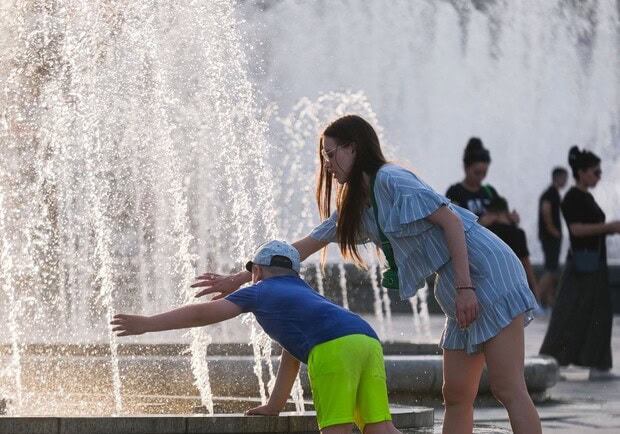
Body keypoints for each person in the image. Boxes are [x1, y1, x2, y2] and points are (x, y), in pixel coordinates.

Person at [193, 115, 542, 434]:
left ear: (353, 148)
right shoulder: (358, 208)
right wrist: (240, 277)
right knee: (456, 394)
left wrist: (466, 287)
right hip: (456, 282)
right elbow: (295, 250)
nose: (327, 165)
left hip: (485, 272)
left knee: (507, 388)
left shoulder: (392, 179)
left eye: (331, 154)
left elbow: (451, 221)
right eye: (324, 157)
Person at [111, 240, 401, 434]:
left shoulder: (259, 290)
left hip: (333, 348)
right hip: (365, 339)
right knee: (380, 428)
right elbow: (292, 355)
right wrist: (274, 406)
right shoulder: (303, 293)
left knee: (336, 427)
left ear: (257, 271)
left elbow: (202, 315)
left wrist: (147, 324)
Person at [539, 147, 620, 381]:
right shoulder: (572, 198)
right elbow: (576, 229)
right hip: (580, 266)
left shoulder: (586, 197)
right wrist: (609, 227)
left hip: (595, 262)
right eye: (595, 172)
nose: (599, 176)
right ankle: (552, 362)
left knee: (600, 313)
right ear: (581, 173)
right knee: (567, 313)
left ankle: (598, 365)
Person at [445, 137, 519, 227]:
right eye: (477, 173)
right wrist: (480, 224)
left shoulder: (489, 192)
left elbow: (503, 218)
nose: (480, 177)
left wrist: (510, 219)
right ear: (465, 167)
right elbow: (451, 226)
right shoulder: (455, 192)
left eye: (484, 173)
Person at [486, 196, 538, 298]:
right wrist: (534, 289)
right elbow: (525, 262)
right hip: (514, 283)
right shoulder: (518, 233)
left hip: (491, 284)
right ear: (506, 212)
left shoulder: (487, 232)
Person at [537, 167, 568, 310]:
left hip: (550, 237)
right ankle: (535, 302)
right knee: (550, 271)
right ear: (558, 178)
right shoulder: (550, 194)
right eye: (565, 178)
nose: (566, 181)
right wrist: (552, 229)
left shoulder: (553, 193)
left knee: (553, 269)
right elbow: (545, 209)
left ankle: (549, 302)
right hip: (550, 237)